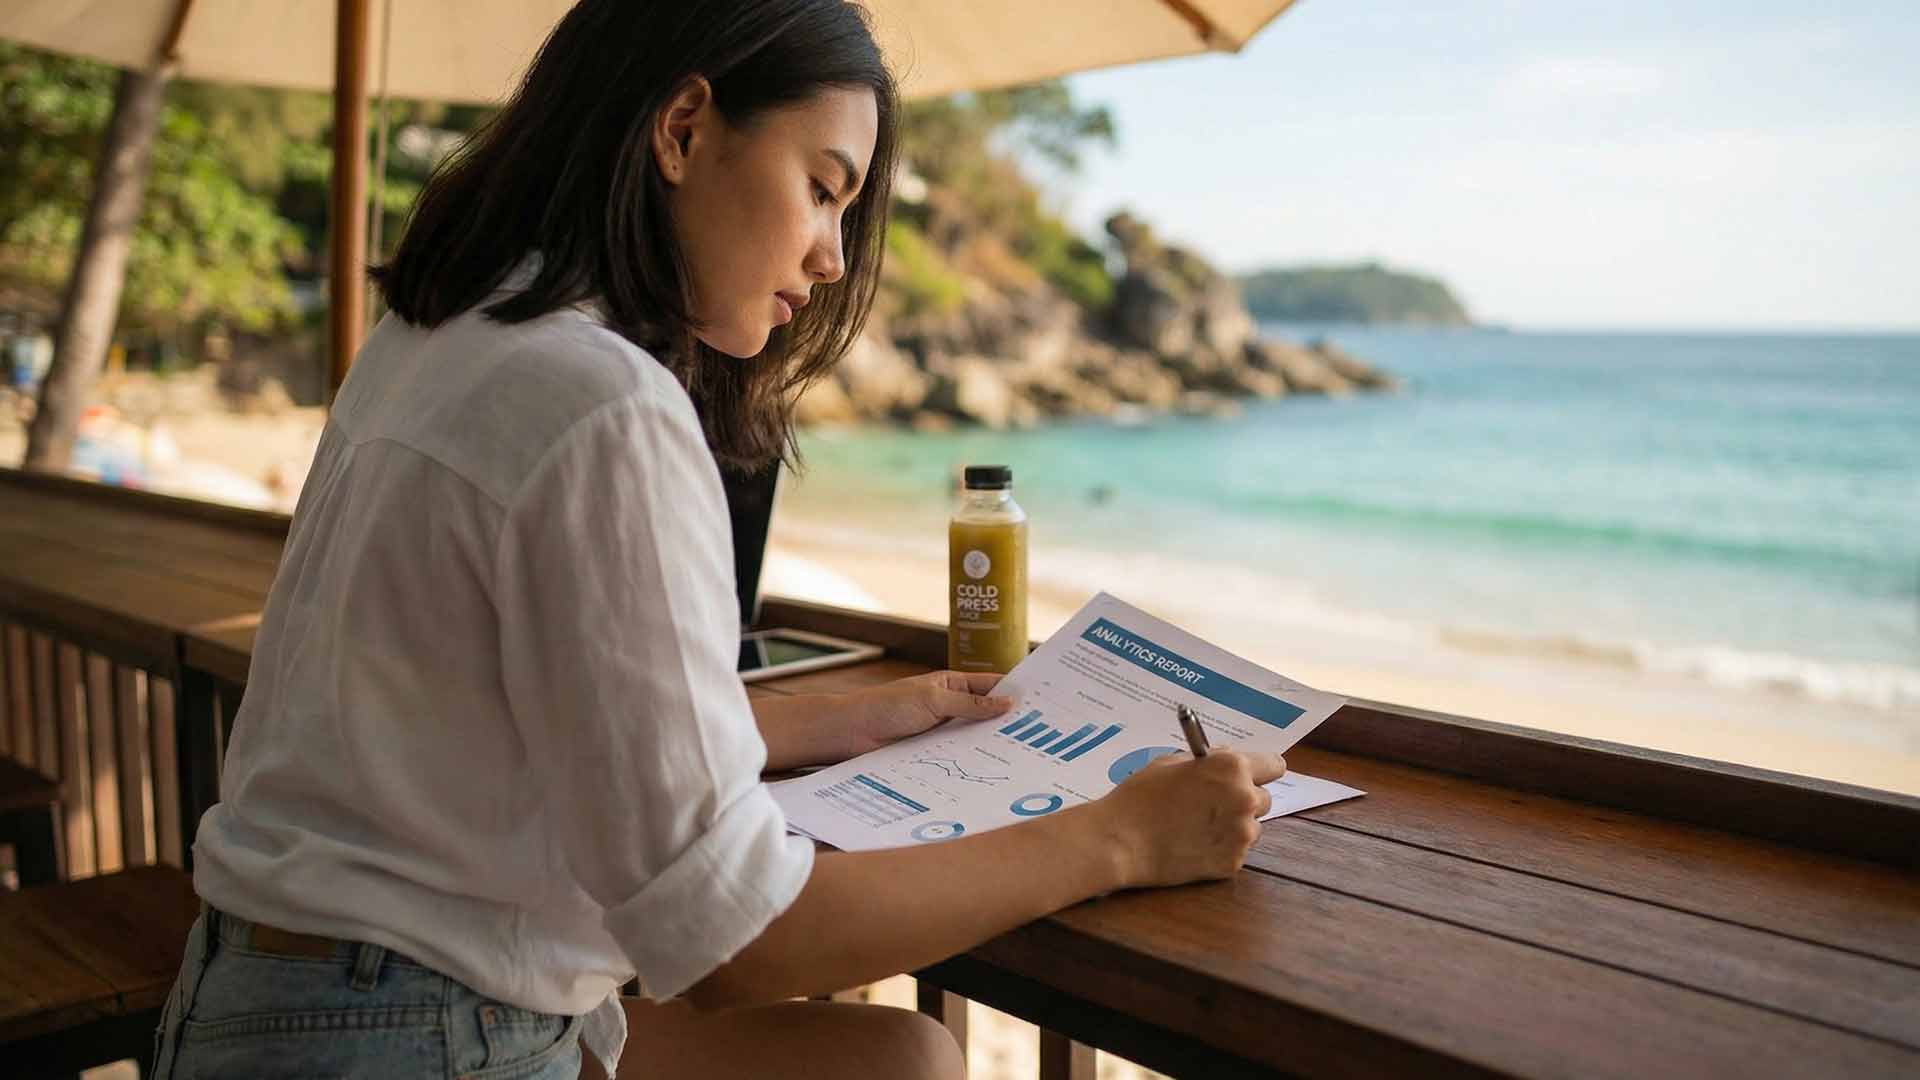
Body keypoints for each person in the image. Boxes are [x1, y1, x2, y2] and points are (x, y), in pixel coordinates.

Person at [151, 2, 1287, 1077]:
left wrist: (845, 719)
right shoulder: (600, 403)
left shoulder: (441, 335)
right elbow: (742, 941)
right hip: (412, 1033)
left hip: (257, 1000)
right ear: (684, 129)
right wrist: (1119, 842)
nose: (834, 258)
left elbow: (504, 708)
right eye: (822, 189)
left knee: (908, 1058)